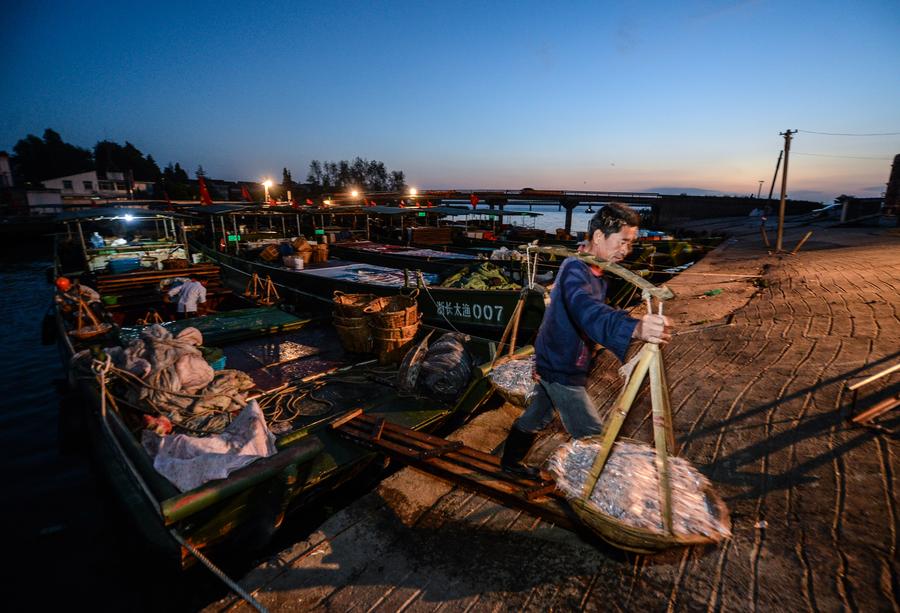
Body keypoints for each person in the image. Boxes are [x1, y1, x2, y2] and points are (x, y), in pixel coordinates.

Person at [500, 203, 673, 477]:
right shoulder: (574, 271)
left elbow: (594, 309)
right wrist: (635, 328)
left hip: (558, 358)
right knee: (592, 435)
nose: (626, 250)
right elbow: (587, 310)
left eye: (630, 244)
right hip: (560, 364)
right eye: (622, 242)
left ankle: (509, 464)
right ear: (599, 237)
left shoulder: (597, 272)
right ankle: (597, 489)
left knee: (538, 415)